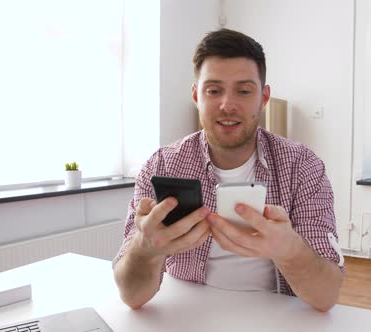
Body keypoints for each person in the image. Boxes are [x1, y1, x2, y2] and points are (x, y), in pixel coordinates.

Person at [112, 28, 345, 312]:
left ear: (264, 97)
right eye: (214, 90)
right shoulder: (161, 164)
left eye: (244, 91)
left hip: (275, 318)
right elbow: (132, 296)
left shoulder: (303, 166)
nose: (227, 105)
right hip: (186, 315)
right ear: (197, 96)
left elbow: (326, 296)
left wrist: (289, 250)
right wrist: (146, 248)